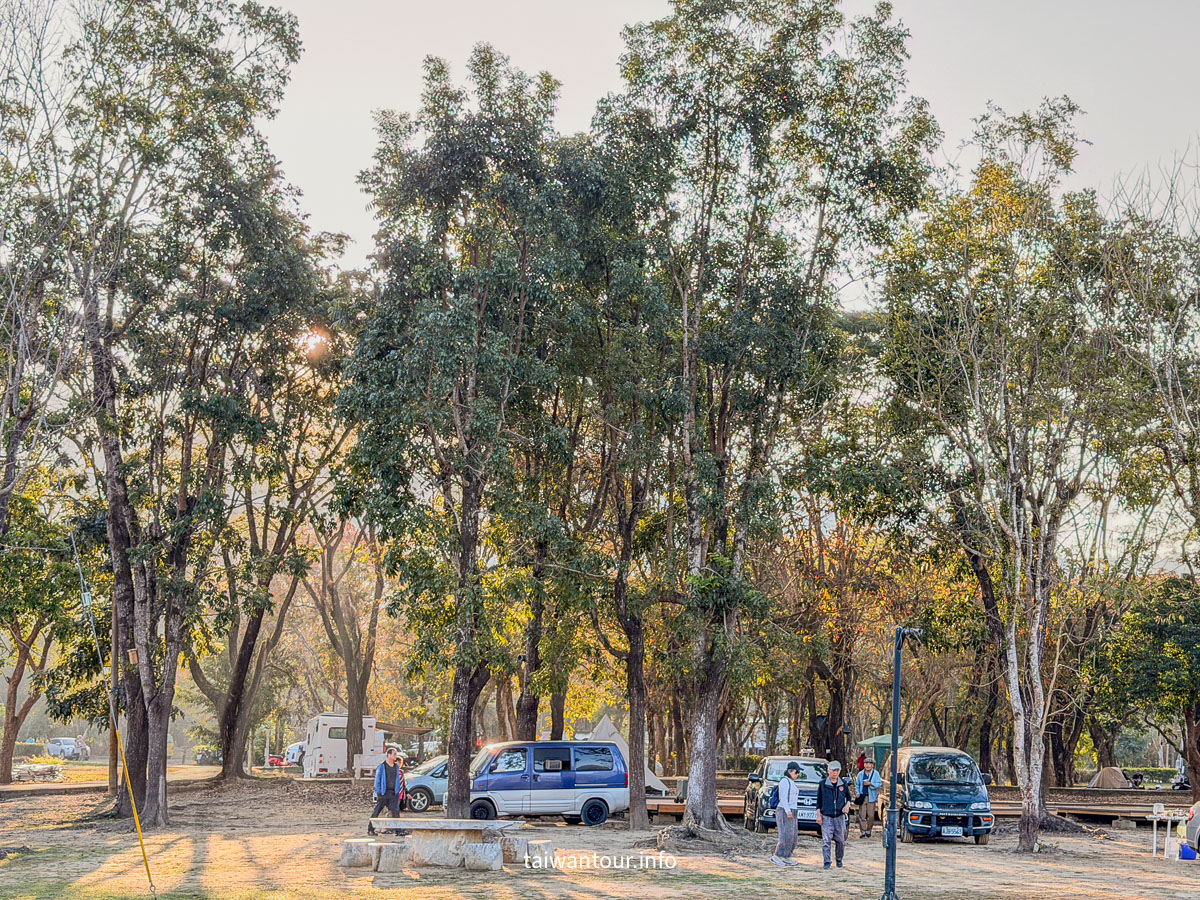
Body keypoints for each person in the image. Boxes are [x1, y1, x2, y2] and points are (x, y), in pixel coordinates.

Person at [815, 759, 851, 869]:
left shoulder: (843, 784)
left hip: (839, 817)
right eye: (833, 770)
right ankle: (827, 861)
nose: (835, 773)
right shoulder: (822, 784)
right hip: (826, 816)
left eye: (837, 770)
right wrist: (818, 815)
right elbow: (818, 801)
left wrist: (847, 805)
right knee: (826, 841)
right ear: (828, 771)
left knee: (840, 840)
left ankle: (839, 859)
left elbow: (849, 798)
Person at [770, 761, 802, 867]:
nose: (797, 775)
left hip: (793, 810)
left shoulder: (792, 782)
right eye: (796, 772)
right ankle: (777, 855)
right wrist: (788, 811)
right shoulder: (784, 781)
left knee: (792, 836)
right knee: (784, 835)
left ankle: (787, 855)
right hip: (784, 810)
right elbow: (783, 797)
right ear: (790, 771)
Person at [368, 748, 406, 835]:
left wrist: (397, 791)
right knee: (377, 811)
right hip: (384, 793)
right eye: (394, 754)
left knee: (395, 812)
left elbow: (397, 779)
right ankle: (370, 829)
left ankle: (398, 831)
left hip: (393, 793)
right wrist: (379, 792)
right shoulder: (382, 766)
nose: (395, 756)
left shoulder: (396, 767)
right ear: (389, 755)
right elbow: (377, 780)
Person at [854, 757, 882, 838]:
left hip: (871, 797)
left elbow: (879, 784)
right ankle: (863, 831)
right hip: (862, 796)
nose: (868, 765)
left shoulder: (876, 774)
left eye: (870, 764)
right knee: (862, 815)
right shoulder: (860, 774)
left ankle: (869, 829)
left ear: (872, 765)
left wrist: (870, 784)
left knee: (871, 815)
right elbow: (857, 784)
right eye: (866, 764)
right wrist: (858, 793)